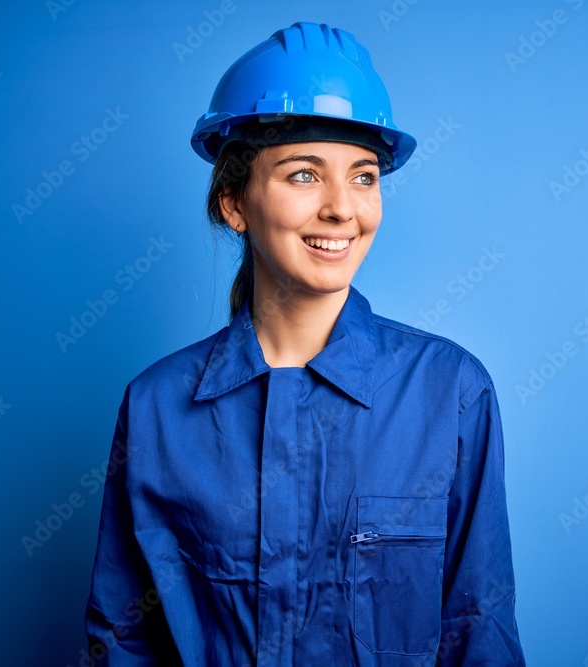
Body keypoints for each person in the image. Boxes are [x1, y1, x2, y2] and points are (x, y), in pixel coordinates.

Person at [84, 21, 526, 666]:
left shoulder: (450, 392)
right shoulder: (157, 408)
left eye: (365, 177)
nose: (343, 209)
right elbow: (123, 638)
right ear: (234, 202)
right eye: (302, 175)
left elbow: (479, 627)